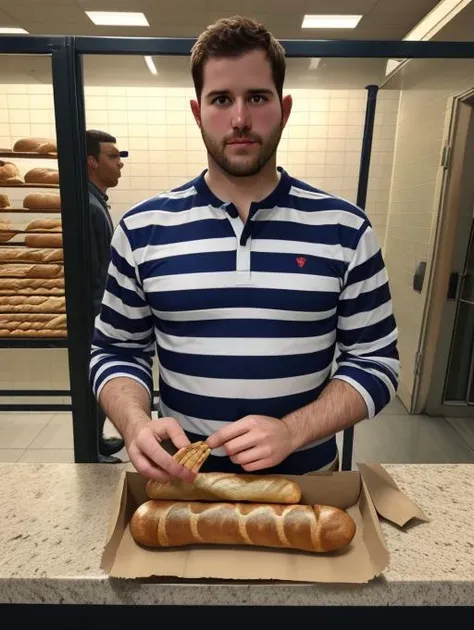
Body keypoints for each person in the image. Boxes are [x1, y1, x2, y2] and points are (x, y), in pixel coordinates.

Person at [89, 16, 399, 481]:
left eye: (257, 97)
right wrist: (134, 425)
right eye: (220, 99)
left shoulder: (344, 228)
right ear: (197, 111)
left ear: (284, 107)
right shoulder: (142, 229)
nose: (239, 119)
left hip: (307, 484)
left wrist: (293, 431)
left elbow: (377, 361)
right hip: (185, 481)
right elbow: (115, 352)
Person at [86, 129, 126, 463]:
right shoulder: (89, 208)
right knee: (95, 376)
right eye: (113, 156)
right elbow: (94, 273)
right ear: (91, 161)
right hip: (94, 311)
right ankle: (91, 447)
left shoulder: (96, 201)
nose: (120, 164)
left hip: (97, 309)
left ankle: (96, 439)